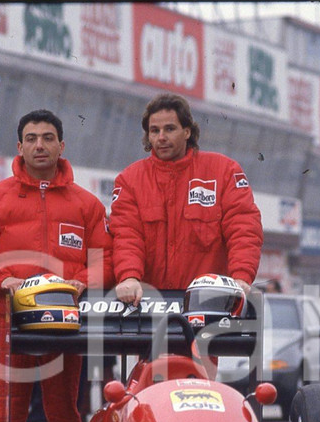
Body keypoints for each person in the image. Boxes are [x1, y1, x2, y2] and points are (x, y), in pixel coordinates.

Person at [0, 109, 113, 422]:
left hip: (66, 320)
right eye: (31, 138)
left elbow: (106, 260)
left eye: (47, 138)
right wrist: (3, 280)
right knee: (7, 417)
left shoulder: (87, 205)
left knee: (66, 418)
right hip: (10, 320)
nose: (39, 145)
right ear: (20, 146)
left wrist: (81, 281)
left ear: (61, 145)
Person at [109, 93, 263, 306]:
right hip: (149, 308)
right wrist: (129, 276)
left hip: (212, 305)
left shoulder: (224, 171)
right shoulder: (129, 180)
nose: (161, 137)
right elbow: (126, 236)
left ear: (187, 132)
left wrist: (241, 278)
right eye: (154, 131)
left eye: (170, 129)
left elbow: (244, 230)